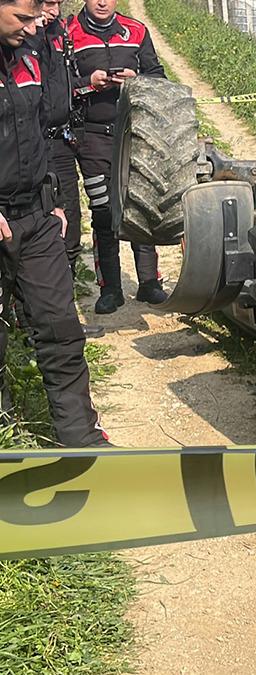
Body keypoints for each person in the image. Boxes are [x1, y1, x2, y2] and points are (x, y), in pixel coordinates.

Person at [0, 0, 108, 447]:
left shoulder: (30, 53)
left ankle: (82, 442)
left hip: (36, 216)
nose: (33, 26)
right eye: (22, 18)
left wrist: (56, 199)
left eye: (36, 17)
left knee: (61, 329)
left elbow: (40, 131)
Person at [67, 0, 167, 315]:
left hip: (134, 133)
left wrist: (136, 80)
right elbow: (58, 87)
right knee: (104, 212)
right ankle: (110, 289)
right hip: (92, 136)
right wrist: (88, 84)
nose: (102, 2)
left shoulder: (136, 30)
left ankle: (150, 282)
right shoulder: (68, 32)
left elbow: (159, 78)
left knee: (141, 207)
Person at [36, 0, 102, 337]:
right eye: (47, 3)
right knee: (42, 230)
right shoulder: (22, 41)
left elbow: (65, 86)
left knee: (71, 227)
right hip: (34, 144)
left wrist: (87, 82)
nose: (53, 10)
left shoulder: (59, 33)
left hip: (60, 142)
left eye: (57, 3)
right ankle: (38, 320)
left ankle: (64, 316)